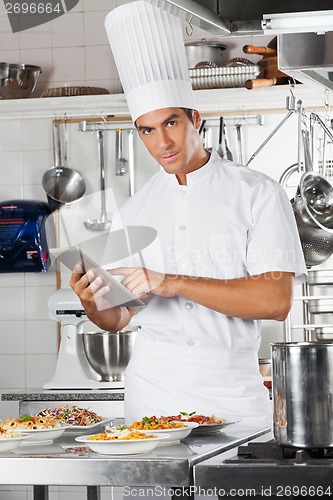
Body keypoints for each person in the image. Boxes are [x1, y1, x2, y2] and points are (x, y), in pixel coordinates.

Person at [70, 1, 307, 429]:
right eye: (147, 129)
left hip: (233, 395)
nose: (162, 142)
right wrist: (93, 303)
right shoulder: (134, 209)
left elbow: (274, 302)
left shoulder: (257, 193)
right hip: (153, 392)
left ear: (195, 119)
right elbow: (119, 318)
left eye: (171, 123)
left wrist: (171, 282)